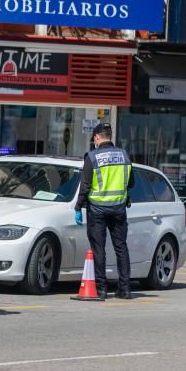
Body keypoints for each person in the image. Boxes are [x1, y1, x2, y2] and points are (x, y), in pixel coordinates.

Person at [75, 122, 135, 300]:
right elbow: (131, 183)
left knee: (98, 249)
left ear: (97, 138)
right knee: (121, 248)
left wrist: (78, 206)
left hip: (98, 210)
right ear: (110, 136)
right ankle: (125, 289)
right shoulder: (124, 156)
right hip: (118, 209)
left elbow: (85, 186)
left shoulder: (92, 157)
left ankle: (101, 289)